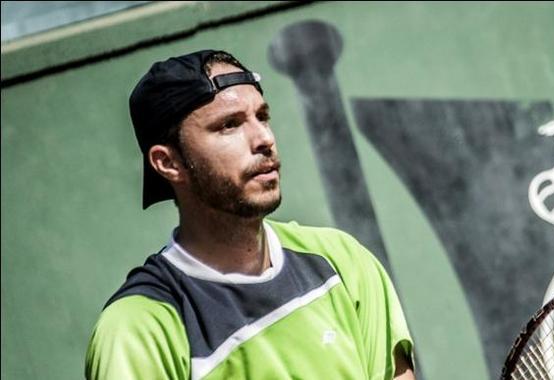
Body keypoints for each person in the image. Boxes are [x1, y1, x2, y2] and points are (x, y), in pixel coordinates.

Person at [85, 50, 415, 380]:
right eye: (229, 125)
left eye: (263, 116)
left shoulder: (341, 260)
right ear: (168, 163)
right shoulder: (136, 331)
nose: (264, 139)